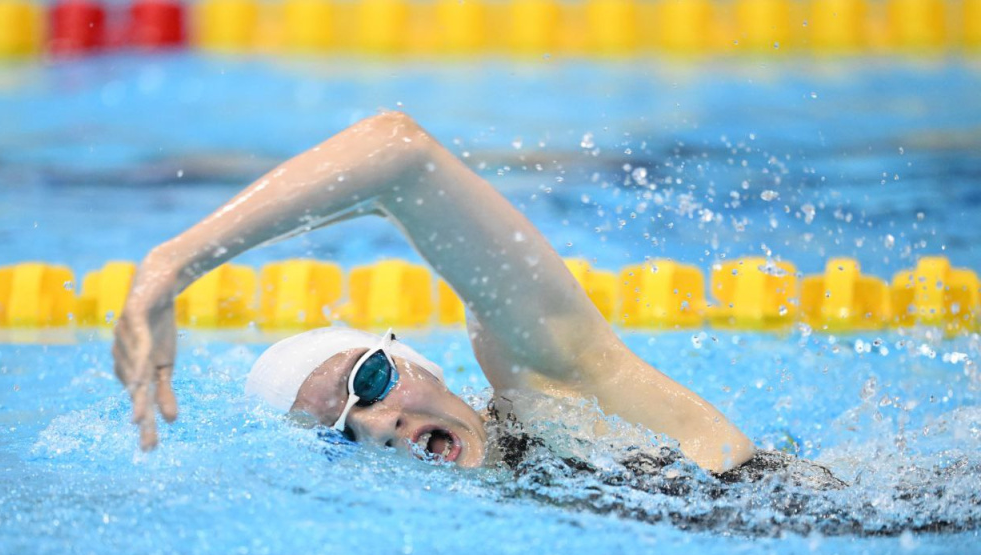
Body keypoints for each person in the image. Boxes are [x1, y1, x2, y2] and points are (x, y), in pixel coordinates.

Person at [112, 111, 756, 474]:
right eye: (338, 436)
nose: (375, 424)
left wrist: (173, 264)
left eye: (367, 383)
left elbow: (400, 155)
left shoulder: (557, 386)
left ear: (416, 360)